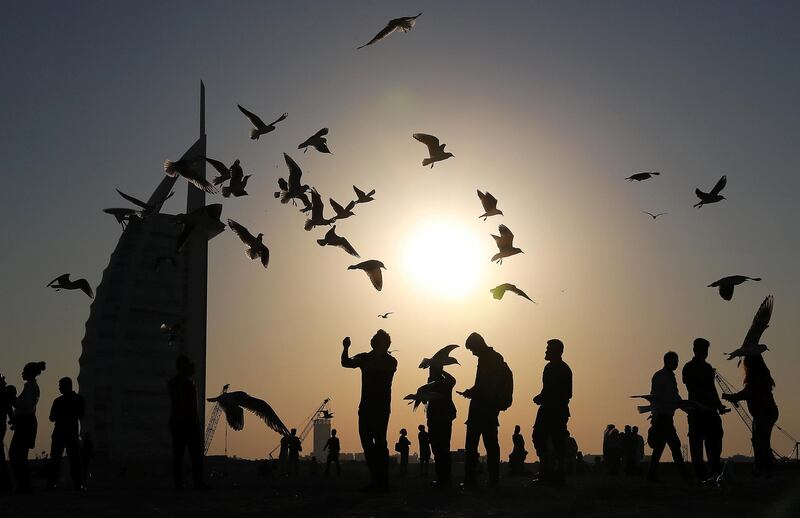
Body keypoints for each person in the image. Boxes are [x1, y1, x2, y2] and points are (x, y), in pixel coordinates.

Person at [341, 330, 397, 492]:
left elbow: (374, 368)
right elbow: (346, 363)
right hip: (367, 406)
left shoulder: (390, 361)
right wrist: (346, 348)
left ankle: (382, 482)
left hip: (379, 408)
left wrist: (364, 360)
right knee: (368, 443)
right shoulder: (368, 358)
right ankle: (377, 480)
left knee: (380, 443)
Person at [459, 332, 510, 488]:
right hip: (485, 408)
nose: (473, 353)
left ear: (477, 345)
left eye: (472, 349)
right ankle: (489, 478)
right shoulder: (491, 358)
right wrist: (472, 391)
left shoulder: (490, 359)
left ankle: (475, 479)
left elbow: (486, 385)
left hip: (484, 408)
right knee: (488, 444)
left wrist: (472, 392)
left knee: (479, 445)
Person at [722, 354, 779, 478]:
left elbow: (746, 393)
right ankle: (763, 468)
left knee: (760, 442)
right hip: (766, 413)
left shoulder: (755, 378)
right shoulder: (763, 376)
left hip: (763, 413)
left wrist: (731, 397)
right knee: (761, 441)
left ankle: (762, 469)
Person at [682, 338, 728, 482]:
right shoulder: (689, 368)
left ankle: (714, 471)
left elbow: (712, 389)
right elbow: (694, 389)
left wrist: (718, 405)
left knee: (714, 441)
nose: (705, 353)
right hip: (697, 411)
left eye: (706, 350)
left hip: (710, 411)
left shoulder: (707, 368)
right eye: (703, 350)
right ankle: (701, 474)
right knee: (697, 444)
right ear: (695, 350)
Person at [531, 339, 572, 486]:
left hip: (556, 410)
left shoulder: (562, 369)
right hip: (549, 409)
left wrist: (546, 397)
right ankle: (547, 472)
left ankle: (556, 474)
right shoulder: (550, 368)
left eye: (548, 349)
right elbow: (547, 389)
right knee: (540, 438)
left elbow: (566, 393)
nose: (546, 351)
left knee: (555, 441)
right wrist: (542, 396)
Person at [647, 351, 687, 482]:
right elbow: (664, 397)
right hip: (663, 417)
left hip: (664, 417)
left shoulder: (666, 376)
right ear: (668, 361)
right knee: (674, 445)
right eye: (675, 361)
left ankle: (652, 474)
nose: (677, 364)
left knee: (660, 447)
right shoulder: (663, 377)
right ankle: (683, 474)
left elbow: (673, 397)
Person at [168, 355, 205, 490]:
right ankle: (182, 483)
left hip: (188, 422)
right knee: (181, 454)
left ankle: (196, 482)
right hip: (182, 423)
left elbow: (192, 407)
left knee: (193, 454)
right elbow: (181, 403)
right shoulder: (178, 384)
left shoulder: (187, 383)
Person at [9, 361, 46, 493]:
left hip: (26, 423)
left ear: (30, 373)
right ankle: (24, 485)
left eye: (24, 371)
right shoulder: (30, 387)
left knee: (17, 455)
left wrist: (13, 400)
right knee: (18, 455)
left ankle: (24, 485)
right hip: (25, 423)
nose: (22, 373)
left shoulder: (31, 388)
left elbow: (26, 407)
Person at [47, 377, 85, 490]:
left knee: (66, 459)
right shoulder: (76, 399)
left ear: (66, 386)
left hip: (64, 433)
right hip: (67, 432)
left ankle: (56, 483)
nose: (59, 388)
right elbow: (81, 414)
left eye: (60, 385)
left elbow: (52, 417)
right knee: (71, 459)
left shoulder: (59, 401)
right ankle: (77, 484)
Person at [425, 363, 456, 487]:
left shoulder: (444, 383)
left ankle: (443, 478)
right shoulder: (435, 383)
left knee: (441, 448)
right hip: (436, 418)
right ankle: (442, 478)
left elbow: (452, 380)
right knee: (438, 449)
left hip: (441, 419)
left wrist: (440, 370)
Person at [0, 375, 16, 493]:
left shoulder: (3, 395)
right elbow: (10, 412)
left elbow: (10, 412)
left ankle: (6, 485)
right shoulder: (4, 395)